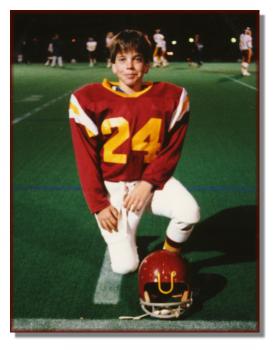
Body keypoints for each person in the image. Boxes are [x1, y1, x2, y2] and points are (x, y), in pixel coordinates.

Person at [69, 29, 200, 275]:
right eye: (122, 59)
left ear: (148, 65)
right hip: (113, 190)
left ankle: (168, 257)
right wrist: (99, 205)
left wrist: (148, 183)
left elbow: (172, 149)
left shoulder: (171, 97)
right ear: (112, 65)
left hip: (151, 183)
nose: (130, 66)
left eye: (137, 59)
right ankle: (126, 237)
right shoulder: (88, 99)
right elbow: (85, 159)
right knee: (126, 267)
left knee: (189, 212)